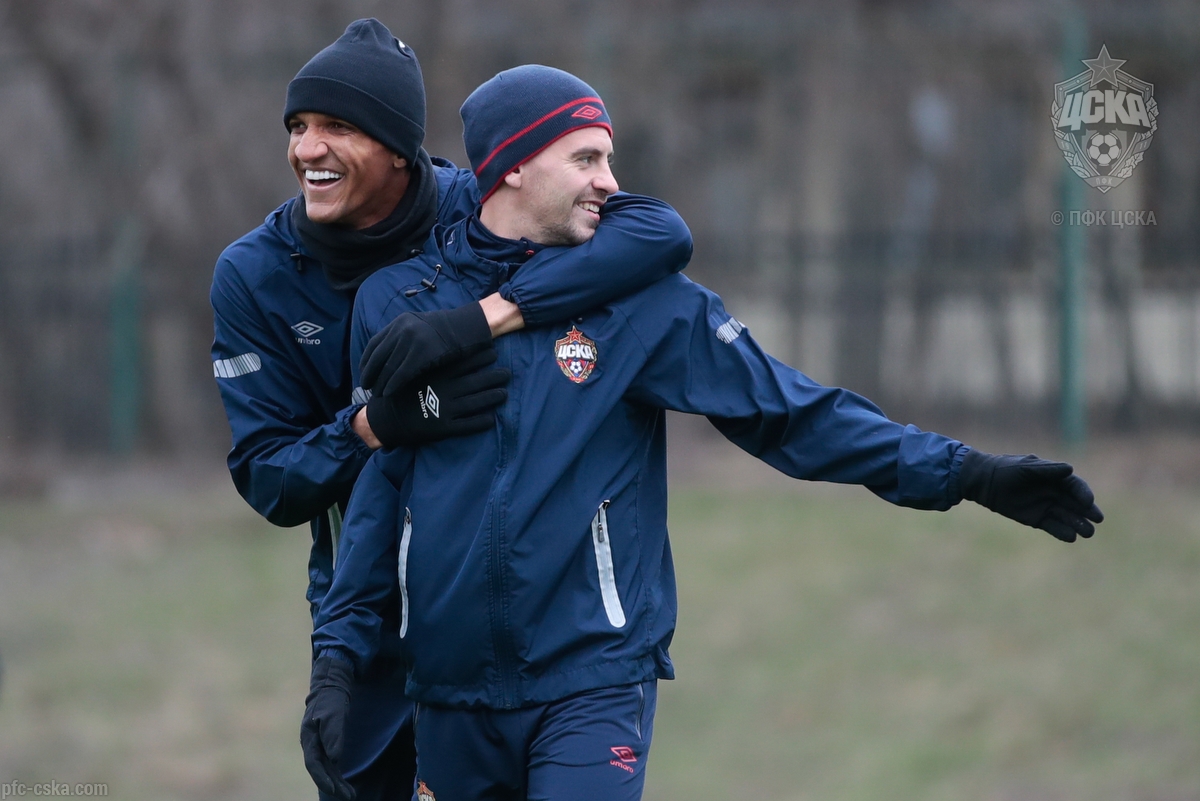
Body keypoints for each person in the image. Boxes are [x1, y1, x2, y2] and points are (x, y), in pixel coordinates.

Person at [303, 65, 1103, 801]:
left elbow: (795, 413)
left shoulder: (647, 303)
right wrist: (335, 662)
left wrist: (966, 471)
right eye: (585, 159)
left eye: (608, 158)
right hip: (447, 696)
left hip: (592, 683)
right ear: (512, 166)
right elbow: (381, 491)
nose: (609, 181)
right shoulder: (400, 303)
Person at [209, 20, 693, 801]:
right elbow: (269, 478)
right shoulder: (252, 275)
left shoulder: (482, 203)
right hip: (364, 627)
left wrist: (481, 316)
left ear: (400, 148)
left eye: (337, 127)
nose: (306, 148)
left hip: (509, 622)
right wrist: (374, 427)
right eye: (298, 126)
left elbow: (657, 233)